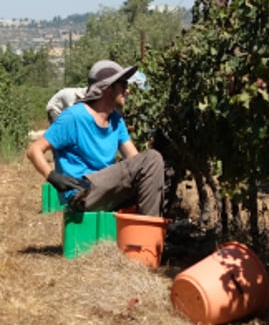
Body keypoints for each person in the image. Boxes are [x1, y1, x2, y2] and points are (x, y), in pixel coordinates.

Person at [27, 60, 165, 217]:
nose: (128, 90)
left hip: (104, 189)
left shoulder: (116, 120)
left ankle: (144, 233)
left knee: (157, 171)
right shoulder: (74, 117)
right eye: (123, 85)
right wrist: (52, 176)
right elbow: (34, 150)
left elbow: (135, 159)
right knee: (152, 159)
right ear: (108, 88)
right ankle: (147, 233)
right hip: (82, 191)